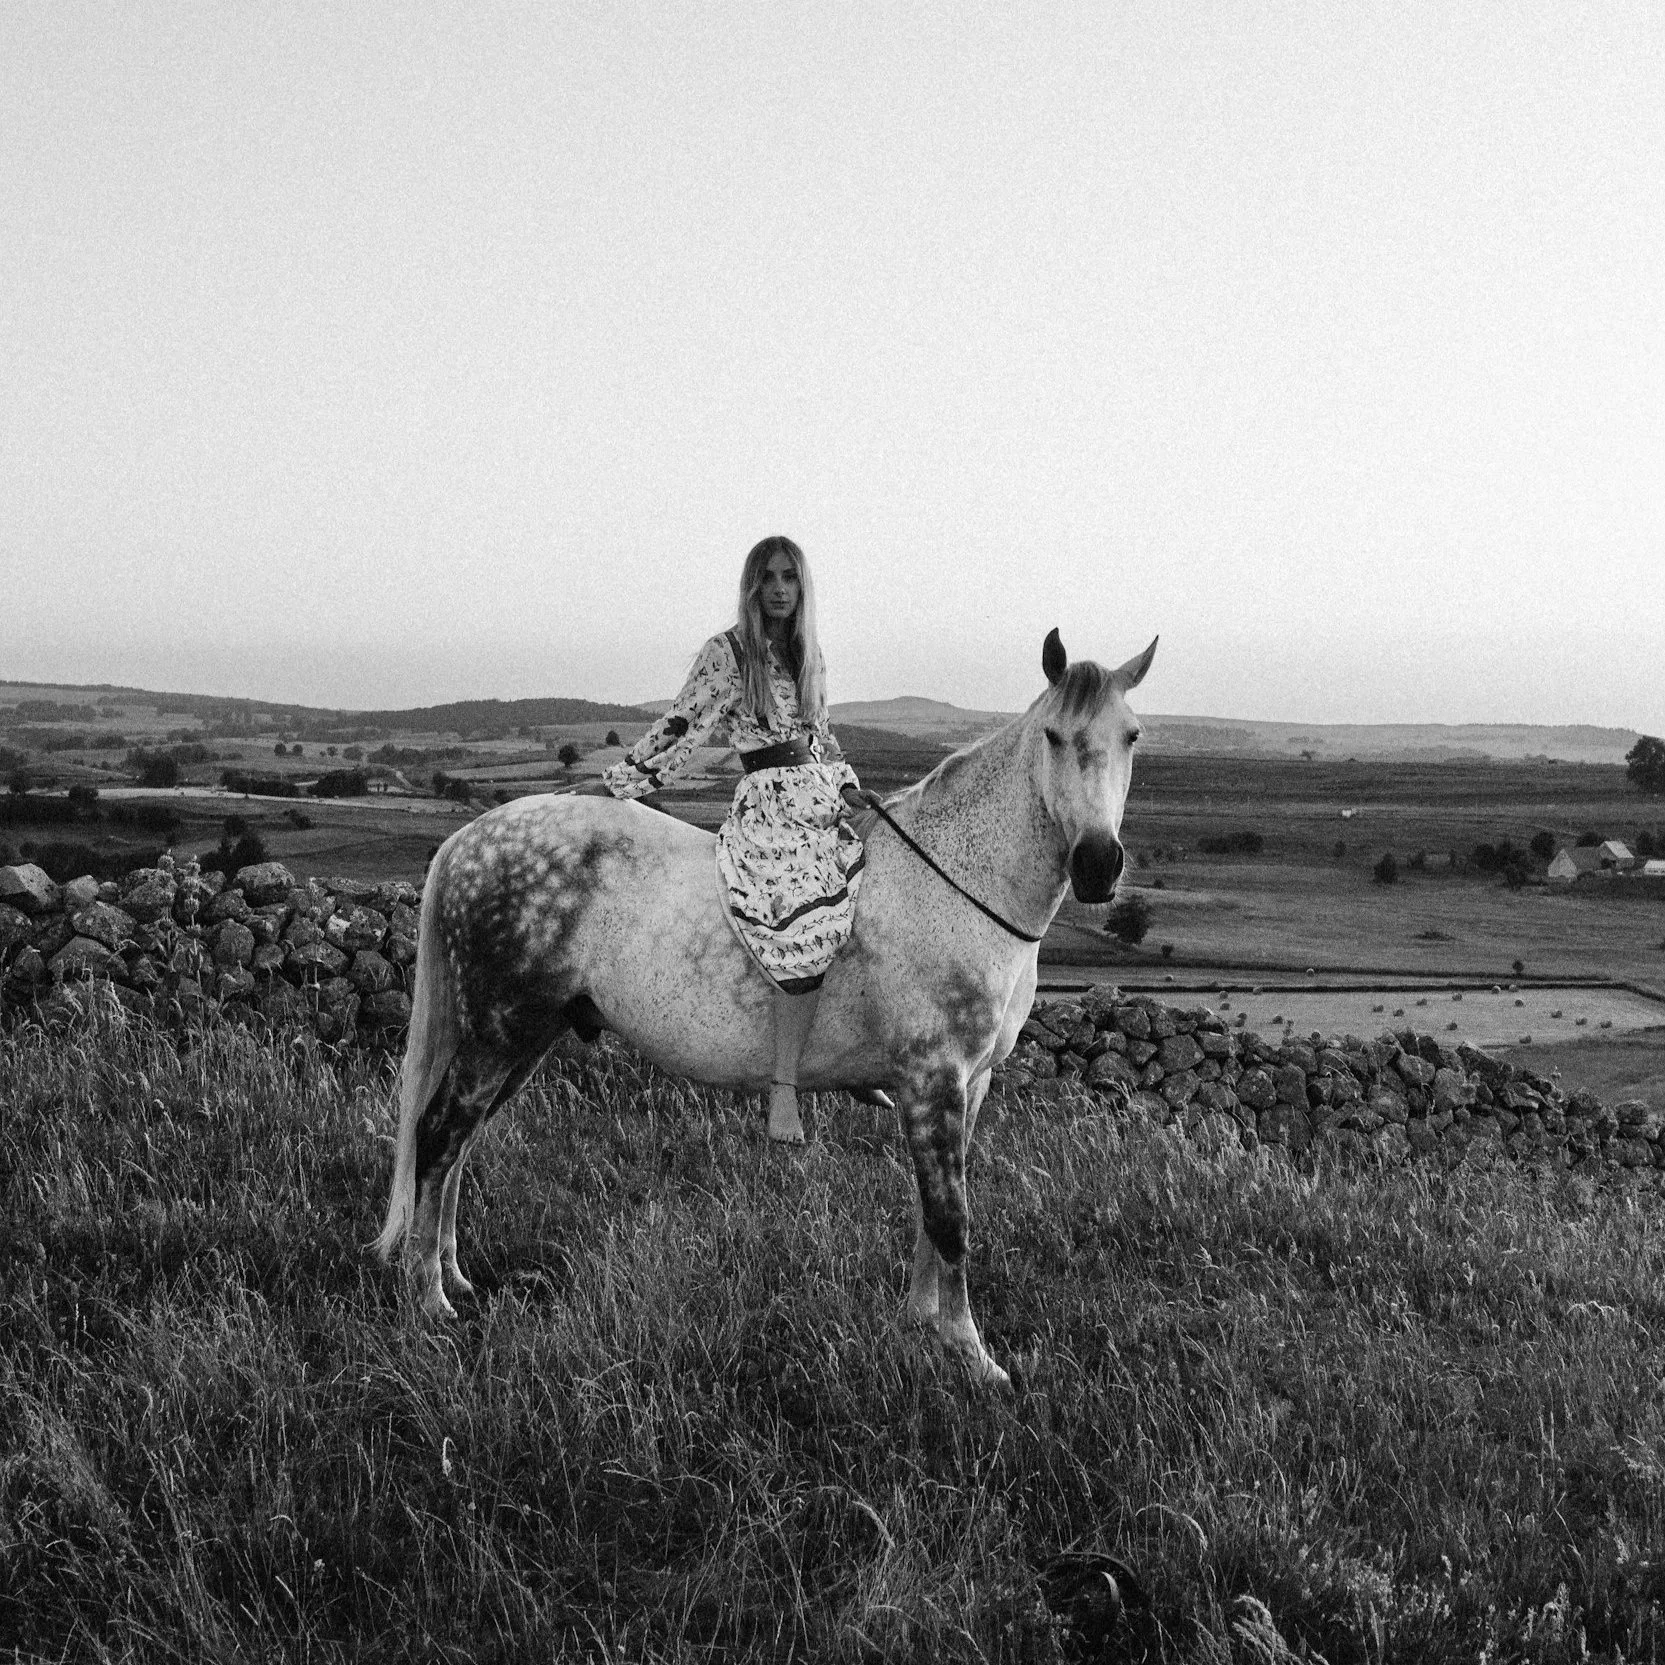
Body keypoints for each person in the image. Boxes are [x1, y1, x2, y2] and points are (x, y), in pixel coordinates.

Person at [594, 536, 866, 1143]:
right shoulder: (728, 653)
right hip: (769, 807)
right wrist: (616, 785)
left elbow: (823, 736)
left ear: (803, 586)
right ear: (750, 585)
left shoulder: (807, 652)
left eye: (789, 577)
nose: (777, 588)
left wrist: (850, 787)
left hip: (821, 798)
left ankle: (848, 1056)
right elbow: (679, 725)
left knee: (871, 898)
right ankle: (784, 1091)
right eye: (766, 577)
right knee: (801, 924)